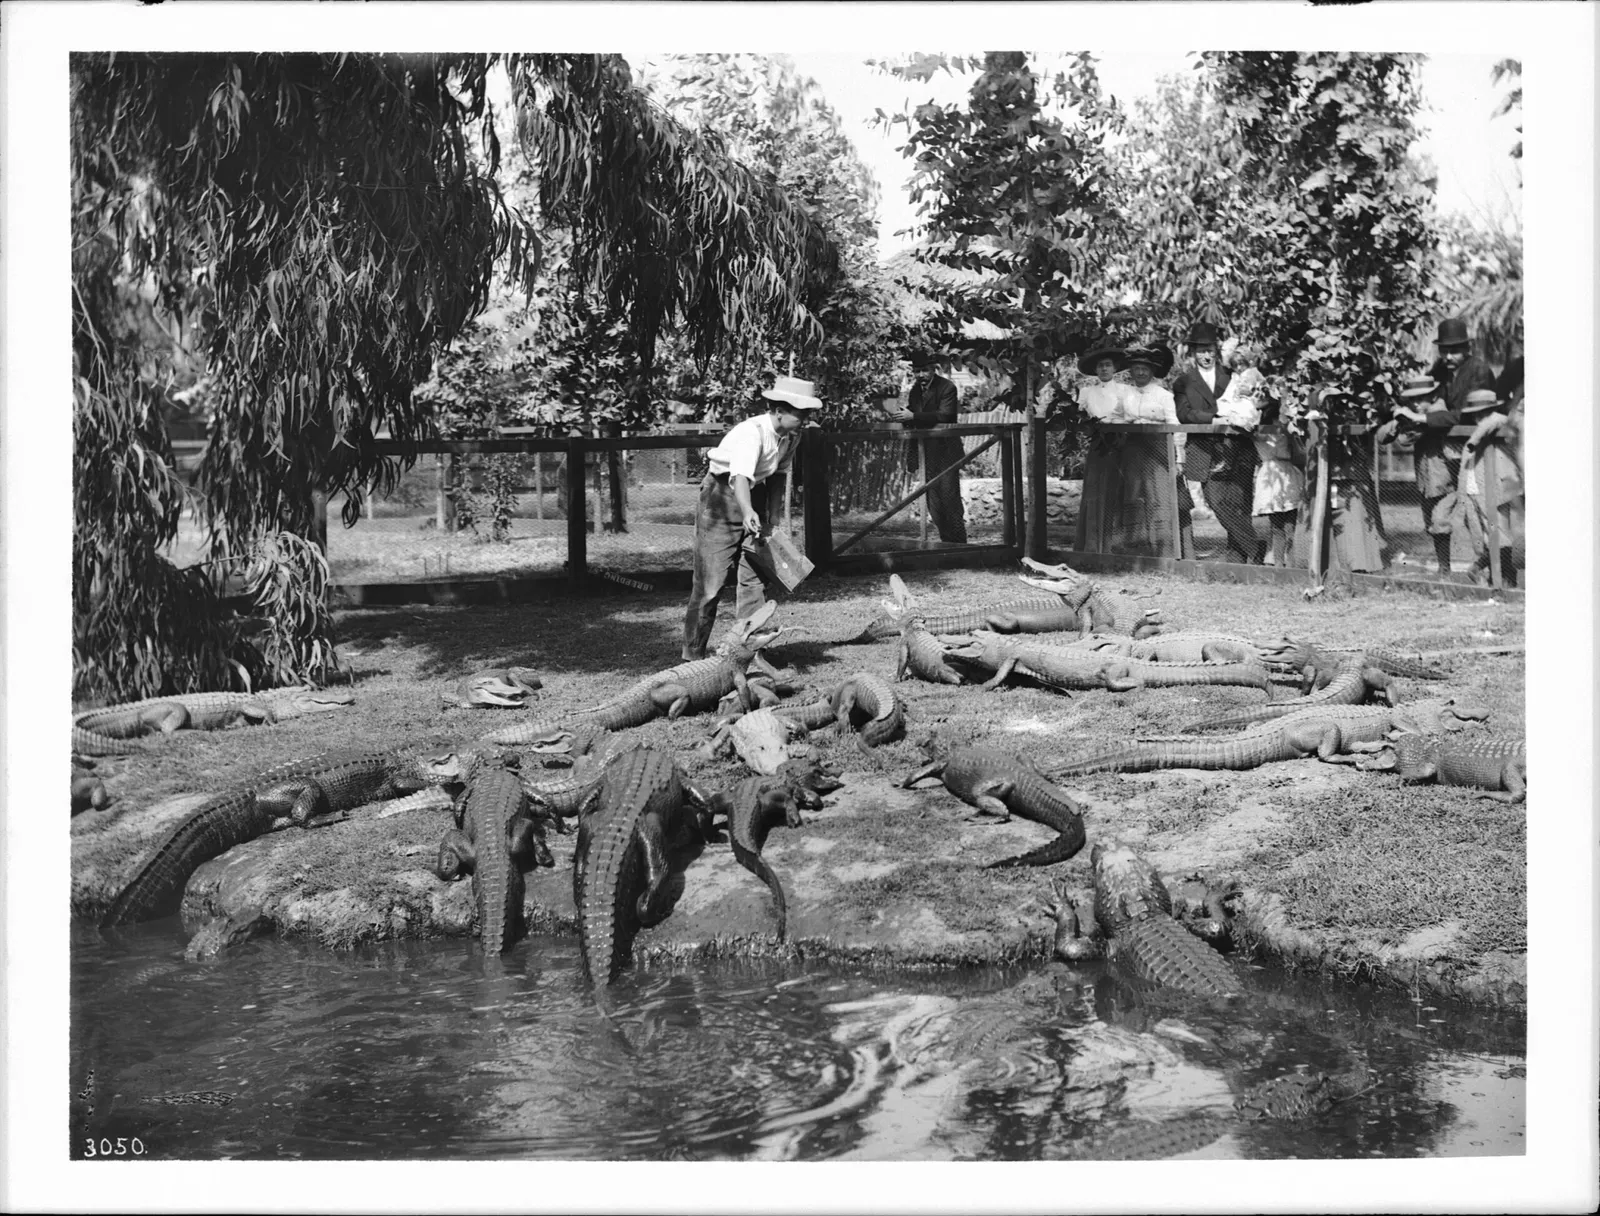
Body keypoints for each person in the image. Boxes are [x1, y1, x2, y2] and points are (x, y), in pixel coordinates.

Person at [681, 375, 821, 660]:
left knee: (755, 579)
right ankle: (692, 655)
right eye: (800, 414)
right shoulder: (751, 432)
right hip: (721, 498)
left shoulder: (792, 436)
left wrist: (772, 517)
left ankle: (749, 650)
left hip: (754, 495)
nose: (805, 419)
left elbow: (779, 475)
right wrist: (747, 513)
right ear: (779, 410)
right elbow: (740, 477)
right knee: (710, 584)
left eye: (807, 414)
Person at [1407, 316, 1495, 575]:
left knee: (1477, 511)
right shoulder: (1441, 370)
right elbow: (1423, 395)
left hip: (1474, 452)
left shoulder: (1478, 370)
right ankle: (1444, 569)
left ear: (1467, 348)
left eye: (1454, 349)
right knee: (1437, 510)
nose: (1448, 355)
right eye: (1444, 349)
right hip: (1445, 452)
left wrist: (1427, 418)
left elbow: (1467, 415)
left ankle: (1494, 569)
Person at [1174, 320, 1261, 563]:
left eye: (1209, 350)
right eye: (1201, 351)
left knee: (1239, 501)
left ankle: (1238, 555)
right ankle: (1255, 546)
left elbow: (1251, 401)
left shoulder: (1233, 376)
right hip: (1204, 448)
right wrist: (1214, 417)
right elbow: (1184, 413)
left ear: (1216, 350)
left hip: (1238, 447)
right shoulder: (1184, 381)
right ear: (1193, 353)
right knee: (1215, 499)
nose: (1206, 355)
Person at [1294, 387, 1389, 574]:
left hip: (1349, 473)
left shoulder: (1357, 410)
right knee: (1324, 510)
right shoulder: (1313, 411)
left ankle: (1357, 561)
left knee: (1351, 514)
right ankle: (1316, 560)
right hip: (1323, 471)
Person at [891, 353, 968, 544]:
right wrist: (904, 418)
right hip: (926, 452)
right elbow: (913, 415)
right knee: (933, 503)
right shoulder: (915, 390)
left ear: (934, 369)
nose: (921, 374)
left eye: (924, 370)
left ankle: (959, 544)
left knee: (950, 499)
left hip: (946, 451)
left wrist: (914, 417)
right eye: (917, 371)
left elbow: (946, 415)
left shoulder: (947, 387)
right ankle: (946, 541)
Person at [1457, 385, 1525, 587]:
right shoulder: (1485, 425)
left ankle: (1485, 569)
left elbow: (1495, 419)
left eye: (1481, 413)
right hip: (1478, 486)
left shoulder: (1499, 420)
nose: (1478, 417)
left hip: (1500, 486)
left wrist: (1474, 439)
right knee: (1487, 534)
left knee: (1501, 534)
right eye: (1476, 414)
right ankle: (1496, 576)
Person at [1072, 339, 1131, 553]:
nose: (1104, 369)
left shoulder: (1126, 390)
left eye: (1107, 365)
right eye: (1100, 366)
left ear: (1115, 368)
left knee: (1121, 489)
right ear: (1095, 370)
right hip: (1098, 444)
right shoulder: (1087, 392)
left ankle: (1120, 542)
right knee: (1097, 490)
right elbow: (1079, 418)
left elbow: (1130, 415)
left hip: (1123, 443)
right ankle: (1095, 542)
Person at [1251, 396, 1305, 567]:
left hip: (1276, 473)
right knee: (1286, 523)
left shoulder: (1265, 430)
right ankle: (1283, 561)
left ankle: (1283, 562)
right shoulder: (1269, 430)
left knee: (1280, 524)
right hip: (1279, 473)